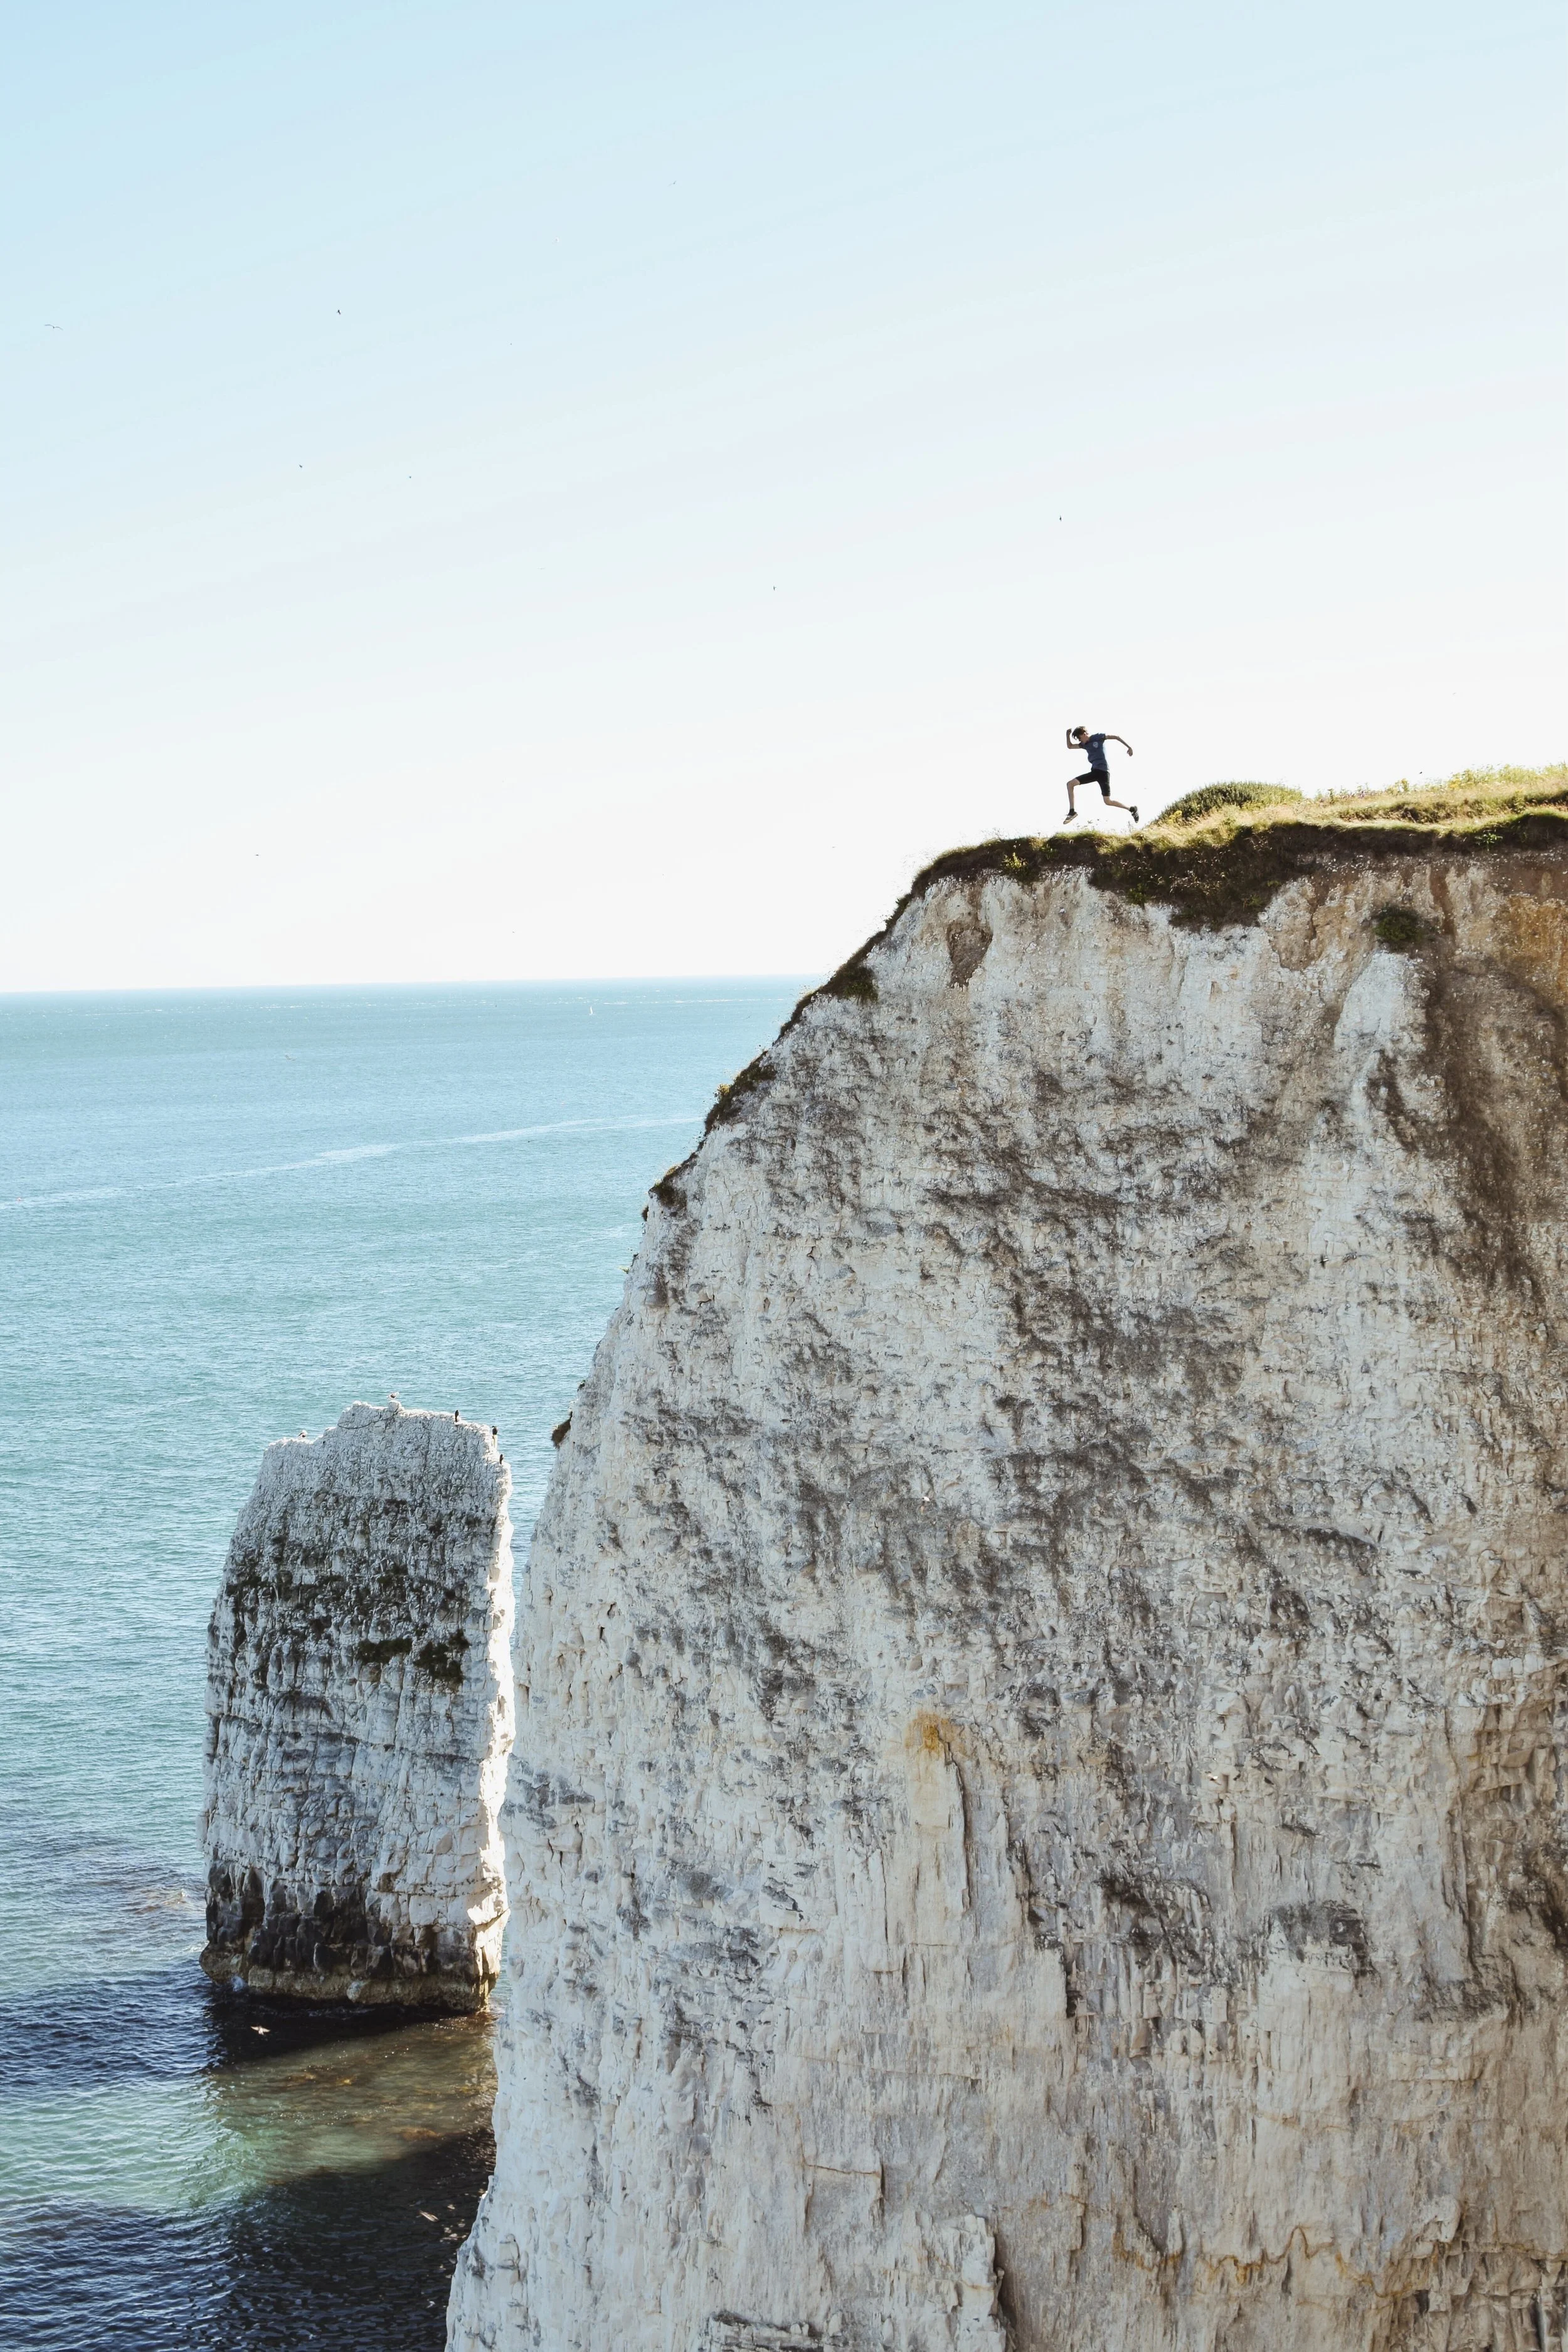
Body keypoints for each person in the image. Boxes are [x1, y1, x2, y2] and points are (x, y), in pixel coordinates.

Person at [1062, 725, 1138, 824]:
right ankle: (1072, 812)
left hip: (1103, 773)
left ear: (1084, 734)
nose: (1080, 741)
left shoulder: (1098, 738)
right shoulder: (1084, 745)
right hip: (1094, 772)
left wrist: (1129, 747)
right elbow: (1070, 746)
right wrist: (1067, 735)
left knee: (1108, 801)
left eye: (1080, 738)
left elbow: (1116, 737)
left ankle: (1132, 809)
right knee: (1070, 784)